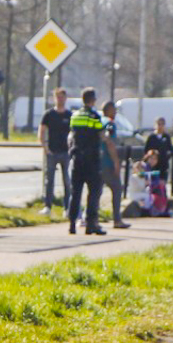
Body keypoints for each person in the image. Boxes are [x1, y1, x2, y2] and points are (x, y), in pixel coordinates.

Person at [66, 88, 108, 237]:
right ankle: (91, 224)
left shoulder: (75, 116)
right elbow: (101, 135)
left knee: (75, 192)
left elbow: (73, 133)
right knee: (94, 192)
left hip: (77, 158)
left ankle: (72, 223)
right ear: (92, 100)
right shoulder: (94, 116)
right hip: (92, 160)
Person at [38, 87, 72, 218]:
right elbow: (42, 130)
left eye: (62, 97)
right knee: (49, 180)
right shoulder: (49, 114)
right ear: (54, 98)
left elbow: (73, 132)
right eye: (58, 97)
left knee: (67, 180)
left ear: (65, 98)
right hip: (52, 151)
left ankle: (67, 207)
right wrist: (45, 146)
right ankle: (47, 206)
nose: (60, 99)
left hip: (65, 152)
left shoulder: (69, 115)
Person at [101, 100, 130, 229]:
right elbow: (110, 143)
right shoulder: (110, 124)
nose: (115, 112)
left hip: (97, 162)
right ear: (107, 110)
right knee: (117, 189)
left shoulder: (98, 121)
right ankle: (117, 220)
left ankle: (88, 217)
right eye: (113, 109)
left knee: (95, 191)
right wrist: (116, 162)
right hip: (108, 162)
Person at [144, 118, 173, 182]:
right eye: (158, 124)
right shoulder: (151, 137)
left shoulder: (166, 137)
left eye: (162, 124)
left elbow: (170, 149)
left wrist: (166, 157)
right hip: (153, 166)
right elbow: (146, 150)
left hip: (163, 166)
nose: (160, 126)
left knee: (162, 184)